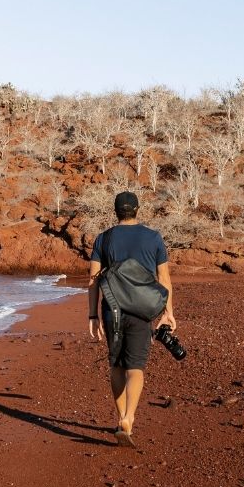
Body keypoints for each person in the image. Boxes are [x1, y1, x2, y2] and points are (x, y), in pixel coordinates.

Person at [87, 191, 176, 448]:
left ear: (116, 211)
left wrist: (92, 314)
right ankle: (129, 417)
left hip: (111, 309)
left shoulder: (103, 239)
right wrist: (168, 312)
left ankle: (120, 417)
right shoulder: (153, 238)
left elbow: (93, 281)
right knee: (136, 366)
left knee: (116, 365)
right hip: (142, 310)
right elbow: (164, 280)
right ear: (137, 209)